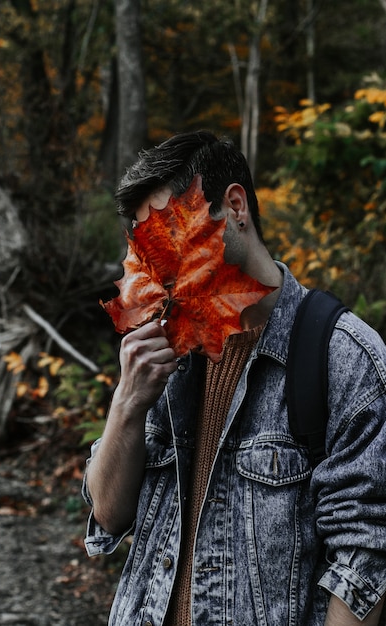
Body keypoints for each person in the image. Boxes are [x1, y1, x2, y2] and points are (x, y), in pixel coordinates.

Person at [82, 131, 386, 625]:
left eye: (172, 234)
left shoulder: (344, 359)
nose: (160, 271)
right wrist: (127, 403)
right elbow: (109, 515)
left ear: (235, 207)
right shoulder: (167, 351)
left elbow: (364, 561)